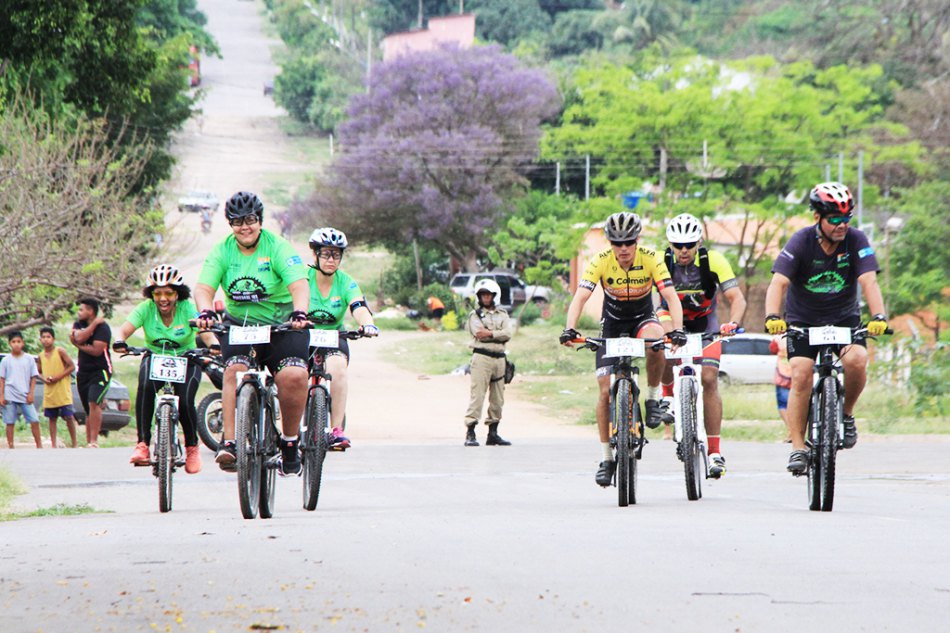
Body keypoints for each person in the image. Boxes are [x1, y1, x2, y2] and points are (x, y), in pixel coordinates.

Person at [764, 182, 888, 475]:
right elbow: (778, 282)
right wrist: (772, 316)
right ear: (817, 218)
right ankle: (797, 447)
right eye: (835, 219)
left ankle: (845, 415)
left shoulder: (856, 240)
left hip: (843, 319)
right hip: (803, 321)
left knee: (857, 360)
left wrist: (879, 316)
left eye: (847, 219)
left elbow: (868, 281)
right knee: (801, 375)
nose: (842, 225)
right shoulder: (800, 241)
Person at [559, 211, 687, 487]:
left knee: (656, 339)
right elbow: (581, 296)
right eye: (618, 243)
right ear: (609, 243)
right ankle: (606, 458)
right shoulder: (600, 261)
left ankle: (653, 399)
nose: (624, 248)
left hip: (643, 318)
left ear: (637, 239)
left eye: (629, 241)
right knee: (604, 392)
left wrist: (677, 329)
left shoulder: (651, 258)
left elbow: (670, 297)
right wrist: (569, 328)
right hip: (612, 323)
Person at [194, 191, 311, 476]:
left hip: (282, 326)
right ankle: (231, 442)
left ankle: (289, 441)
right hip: (241, 326)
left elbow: (299, 284)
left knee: (294, 376)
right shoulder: (223, 251)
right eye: (237, 222)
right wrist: (206, 311)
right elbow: (204, 288)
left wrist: (299, 312)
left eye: (249, 220)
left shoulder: (278, 247)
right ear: (230, 224)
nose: (244, 227)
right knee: (234, 371)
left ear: (259, 220)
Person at [656, 213, 747, 479]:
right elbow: (654, 302)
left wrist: (733, 322)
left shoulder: (714, 260)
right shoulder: (662, 263)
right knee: (660, 347)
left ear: (698, 243)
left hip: (706, 324)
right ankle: (668, 397)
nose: (683, 251)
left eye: (689, 245)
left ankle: (714, 452)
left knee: (709, 378)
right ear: (670, 245)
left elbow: (737, 299)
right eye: (677, 245)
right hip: (670, 319)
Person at [113, 265, 219, 474]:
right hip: (155, 357)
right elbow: (125, 328)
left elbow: (204, 332)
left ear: (178, 294)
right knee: (144, 387)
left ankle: (191, 448)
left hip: (185, 358)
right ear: (151, 295)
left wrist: (213, 344)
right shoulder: (145, 309)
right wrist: (120, 341)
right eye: (158, 293)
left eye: (169, 293)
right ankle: (142, 445)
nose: (163, 299)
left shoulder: (187, 308)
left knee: (186, 400)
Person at [305, 227, 379, 449]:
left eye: (336, 255)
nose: (331, 260)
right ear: (315, 254)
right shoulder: (302, 278)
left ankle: (336, 429)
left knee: (337, 368)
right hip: (303, 336)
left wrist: (367, 324)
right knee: (293, 375)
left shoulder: (346, 282)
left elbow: (358, 306)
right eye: (326, 254)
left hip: (333, 337)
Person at [463, 279, 513, 447]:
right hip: (481, 358)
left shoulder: (503, 314)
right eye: (482, 295)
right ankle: (470, 431)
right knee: (478, 395)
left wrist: (490, 333)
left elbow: (508, 333)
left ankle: (493, 432)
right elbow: (479, 333)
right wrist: (497, 333)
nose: (485, 298)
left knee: (498, 398)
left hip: (499, 358)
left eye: (488, 295)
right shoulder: (474, 315)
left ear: (494, 296)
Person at [69, 297, 112, 448]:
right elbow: (78, 337)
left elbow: (96, 351)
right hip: (83, 372)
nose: (79, 313)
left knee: (94, 402)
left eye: (82, 309)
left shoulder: (104, 328)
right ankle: (89, 442)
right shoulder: (79, 324)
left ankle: (94, 441)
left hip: (101, 371)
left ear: (91, 311)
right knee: (88, 407)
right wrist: (93, 324)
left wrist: (78, 345)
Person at [37, 327, 79, 448]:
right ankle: (53, 444)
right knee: (52, 418)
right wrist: (44, 379)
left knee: (69, 417)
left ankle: (74, 443)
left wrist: (58, 377)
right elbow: (38, 371)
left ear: (53, 339)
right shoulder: (41, 356)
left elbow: (71, 367)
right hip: (50, 392)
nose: (46, 340)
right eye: (43, 337)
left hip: (62, 391)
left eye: (48, 337)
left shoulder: (60, 351)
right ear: (40, 339)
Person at [0, 331, 42, 448]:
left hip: (25, 394)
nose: (16, 344)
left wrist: (31, 393)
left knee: (34, 419)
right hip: (10, 394)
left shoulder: (28, 359)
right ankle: (11, 445)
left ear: (22, 343)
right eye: (13, 342)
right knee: (9, 421)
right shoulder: (6, 360)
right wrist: (1, 395)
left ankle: (39, 445)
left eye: (18, 341)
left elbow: (33, 377)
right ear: (9, 344)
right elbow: (2, 379)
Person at [769, 335, 793, 442]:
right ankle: (794, 431)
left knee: (783, 405)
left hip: (782, 375)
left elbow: (772, 349)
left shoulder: (778, 338)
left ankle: (791, 430)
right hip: (798, 373)